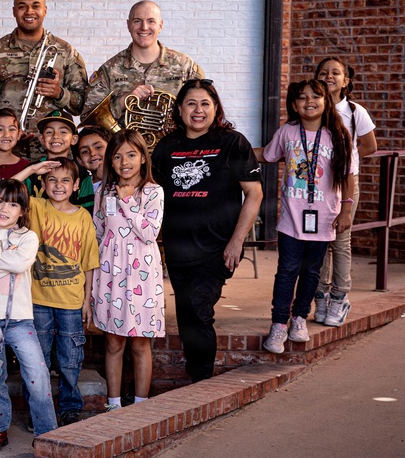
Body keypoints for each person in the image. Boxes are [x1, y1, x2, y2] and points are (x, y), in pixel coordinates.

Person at [151, 79, 263, 383]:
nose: (198, 110)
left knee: (199, 311)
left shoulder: (232, 143)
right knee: (187, 314)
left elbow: (254, 194)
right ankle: (196, 378)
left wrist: (237, 242)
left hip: (216, 249)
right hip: (177, 249)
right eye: (191, 103)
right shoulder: (167, 147)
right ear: (179, 109)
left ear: (216, 108)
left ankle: (201, 382)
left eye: (205, 104)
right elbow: (152, 193)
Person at [256, 80, 353, 354]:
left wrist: (346, 209)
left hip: (323, 217)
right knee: (287, 271)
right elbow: (267, 154)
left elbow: (347, 175)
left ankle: (299, 318)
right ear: (294, 105)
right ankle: (278, 324)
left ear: (326, 101)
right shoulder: (287, 132)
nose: (309, 101)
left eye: (315, 96)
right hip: (291, 218)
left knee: (311, 271)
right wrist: (232, 150)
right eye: (302, 98)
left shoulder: (338, 135)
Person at [0, 180, 59, 453]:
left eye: (13, 204)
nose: (5, 208)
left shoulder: (27, 237)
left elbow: (20, 264)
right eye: (1, 201)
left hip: (19, 319)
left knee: (37, 376)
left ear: (22, 211)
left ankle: (46, 434)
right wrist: (6, 261)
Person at [12, 157, 99, 425]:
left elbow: (88, 261)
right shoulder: (36, 207)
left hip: (72, 301)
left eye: (65, 181)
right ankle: (39, 410)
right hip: (37, 299)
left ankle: (70, 406)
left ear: (76, 186)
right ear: (43, 183)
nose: (58, 185)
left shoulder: (83, 216)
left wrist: (87, 301)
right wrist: (32, 169)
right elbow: (6, 190)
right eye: (52, 179)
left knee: (70, 359)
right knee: (35, 359)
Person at [92, 130, 164, 411]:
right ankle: (114, 405)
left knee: (140, 345)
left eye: (132, 155)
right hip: (111, 275)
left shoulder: (153, 192)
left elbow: (149, 233)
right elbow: (99, 233)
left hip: (142, 277)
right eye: (118, 156)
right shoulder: (102, 192)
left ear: (143, 159)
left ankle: (140, 405)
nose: (125, 162)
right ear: (110, 161)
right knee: (113, 343)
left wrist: (127, 200)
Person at [0, 0, 88, 136]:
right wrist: (3, 131)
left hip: (50, 146)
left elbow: (82, 106)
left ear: (45, 10)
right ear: (14, 11)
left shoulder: (66, 52)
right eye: (22, 7)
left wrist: (59, 93)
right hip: (8, 148)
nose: (29, 12)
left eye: (35, 6)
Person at [313, 57, 377, 327]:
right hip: (315, 186)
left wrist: (344, 160)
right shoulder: (312, 107)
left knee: (340, 241)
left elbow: (369, 145)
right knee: (318, 242)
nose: (329, 76)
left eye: (336, 73)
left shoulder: (354, 111)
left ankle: (339, 297)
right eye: (324, 72)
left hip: (344, 184)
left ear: (345, 81)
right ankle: (321, 295)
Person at [82, 0, 204, 126]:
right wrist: (123, 101)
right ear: (128, 25)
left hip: (175, 145)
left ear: (160, 26)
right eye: (137, 21)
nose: (144, 27)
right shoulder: (109, 70)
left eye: (151, 21)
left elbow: (203, 110)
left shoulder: (185, 65)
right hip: (126, 145)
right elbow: (88, 118)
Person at [24, 111, 78, 198]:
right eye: (49, 132)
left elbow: (88, 208)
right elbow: (11, 194)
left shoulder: (81, 172)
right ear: (41, 139)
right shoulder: (32, 170)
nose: (55, 136)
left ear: (74, 139)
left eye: (63, 132)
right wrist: (31, 170)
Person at [75, 126, 111, 214]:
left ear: (111, 149)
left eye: (98, 147)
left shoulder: (124, 178)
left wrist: (107, 177)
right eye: (84, 152)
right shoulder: (79, 186)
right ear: (80, 160)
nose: (92, 153)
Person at [0, 108, 30, 180]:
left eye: (12, 129)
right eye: (0, 129)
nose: (7, 135)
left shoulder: (28, 167)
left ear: (19, 134)